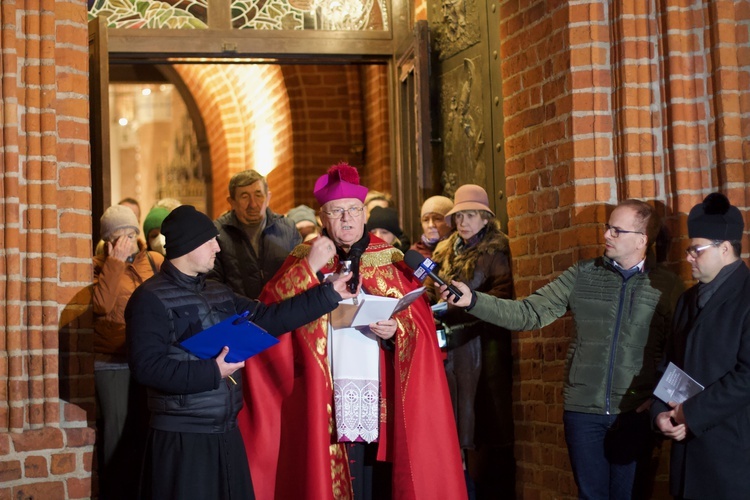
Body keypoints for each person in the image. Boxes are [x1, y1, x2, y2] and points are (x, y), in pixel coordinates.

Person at [239, 162, 467, 500]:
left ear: (364, 213)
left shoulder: (391, 260)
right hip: (323, 395)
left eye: (353, 210)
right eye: (337, 211)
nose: (346, 218)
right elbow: (271, 311)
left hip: (380, 394)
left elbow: (418, 324)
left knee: (377, 481)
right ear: (323, 217)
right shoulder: (305, 258)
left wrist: (395, 331)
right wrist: (308, 271)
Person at [440, 199, 685, 500]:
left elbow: (681, 350)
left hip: (634, 413)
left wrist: (659, 397)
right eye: (607, 227)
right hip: (583, 413)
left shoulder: (668, 286)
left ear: (641, 239)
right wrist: (475, 301)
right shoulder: (583, 274)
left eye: (616, 231)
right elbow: (528, 313)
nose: (606, 235)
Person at [125, 205, 357, 500]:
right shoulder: (149, 298)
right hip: (183, 438)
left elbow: (271, 318)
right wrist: (212, 371)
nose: (217, 248)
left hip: (227, 433)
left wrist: (329, 294)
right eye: (209, 240)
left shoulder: (218, 292)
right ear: (188, 245)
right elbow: (146, 367)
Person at [651, 193, 749, 499]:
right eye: (688, 250)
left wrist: (690, 414)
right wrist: (660, 413)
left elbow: (747, 376)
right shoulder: (687, 299)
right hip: (686, 450)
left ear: (724, 248)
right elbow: (669, 365)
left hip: (730, 452)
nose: (689, 257)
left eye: (696, 250)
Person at [429, 184, 515, 498]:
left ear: (485, 218)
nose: (463, 222)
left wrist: (469, 302)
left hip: (485, 347)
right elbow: (428, 291)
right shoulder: (445, 250)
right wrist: (434, 304)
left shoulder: (497, 249)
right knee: (453, 428)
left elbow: (504, 296)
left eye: (470, 215)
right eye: (459, 215)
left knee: (485, 427)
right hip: (450, 347)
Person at [92, 204, 163, 499]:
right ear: (108, 242)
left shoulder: (155, 261)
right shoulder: (99, 266)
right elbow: (102, 306)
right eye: (117, 237)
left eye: (129, 235)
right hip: (113, 363)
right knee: (117, 435)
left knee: (146, 430)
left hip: (148, 358)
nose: (124, 242)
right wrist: (114, 263)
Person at [209, 170, 301, 299]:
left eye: (258, 195)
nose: (253, 204)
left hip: (281, 313)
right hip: (238, 316)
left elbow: (300, 273)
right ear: (232, 202)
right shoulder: (217, 233)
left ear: (268, 198)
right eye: (244, 197)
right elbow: (212, 284)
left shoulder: (287, 229)